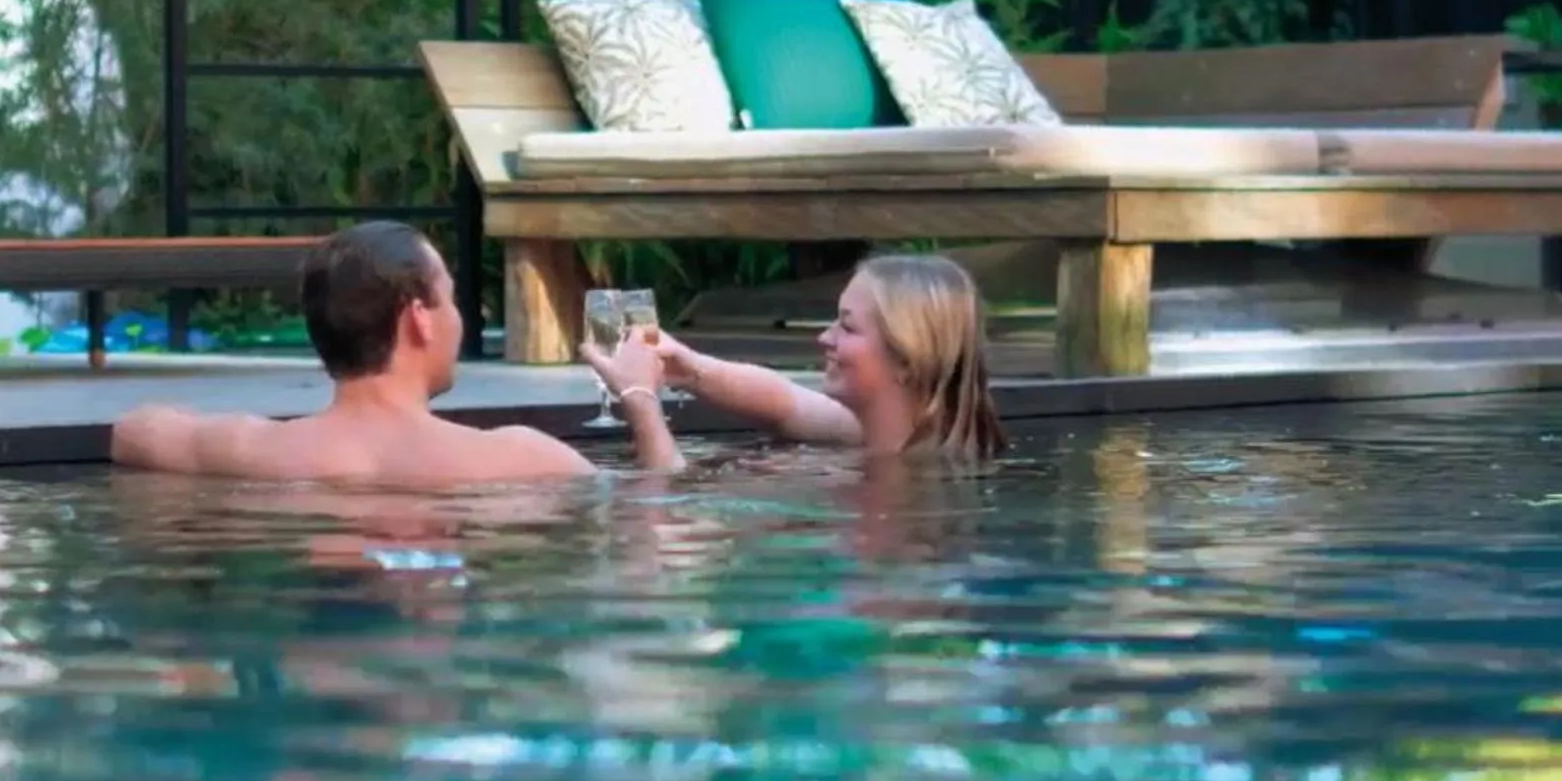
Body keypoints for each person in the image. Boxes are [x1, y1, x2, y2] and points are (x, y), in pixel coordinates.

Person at [112, 220, 681, 487]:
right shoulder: (517, 458)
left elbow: (131, 431)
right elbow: (653, 507)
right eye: (453, 300)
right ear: (418, 319)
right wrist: (640, 399)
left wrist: (217, 430)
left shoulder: (254, 448)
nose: (460, 320)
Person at [587, 252, 1007, 460]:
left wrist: (641, 402)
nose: (825, 337)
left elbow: (661, 522)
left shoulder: (904, 490)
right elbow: (786, 403)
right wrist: (688, 366)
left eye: (848, 326)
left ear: (907, 362)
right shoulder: (903, 435)